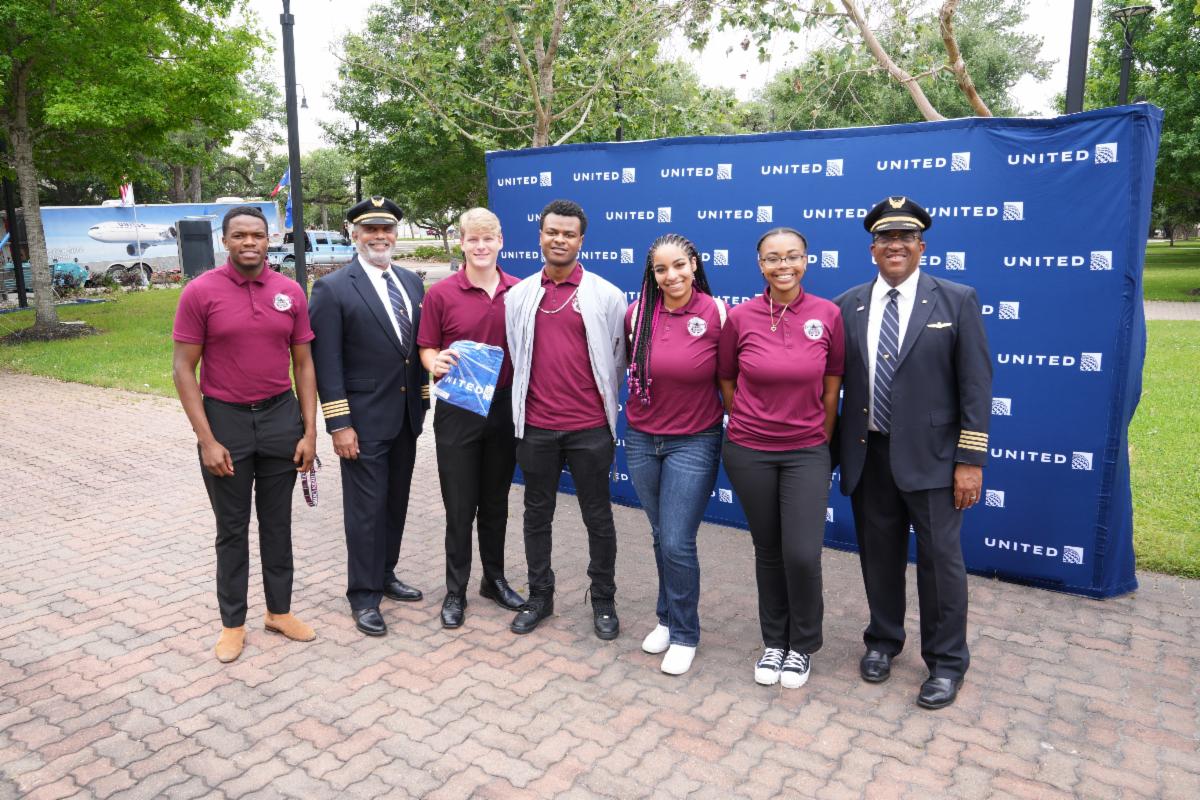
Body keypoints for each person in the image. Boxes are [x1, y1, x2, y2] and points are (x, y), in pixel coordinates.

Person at [834, 196, 991, 710]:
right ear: (872, 249)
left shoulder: (956, 300)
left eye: (905, 238)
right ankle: (883, 641)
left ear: (922, 247)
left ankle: (946, 663)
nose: (895, 246)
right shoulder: (848, 304)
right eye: (885, 238)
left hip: (936, 460)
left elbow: (975, 387)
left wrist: (970, 461)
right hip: (870, 455)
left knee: (941, 565)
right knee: (878, 557)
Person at [172, 205, 318, 663]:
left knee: (278, 525)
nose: (249, 242)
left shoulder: (289, 291)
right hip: (226, 423)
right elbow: (183, 368)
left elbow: (304, 364)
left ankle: (279, 612)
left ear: (269, 239)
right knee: (232, 530)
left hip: (280, 419)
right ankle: (232, 624)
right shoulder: (200, 292)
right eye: (240, 235)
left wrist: (310, 431)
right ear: (225, 241)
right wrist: (207, 439)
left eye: (257, 235)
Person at [718, 227, 844, 690]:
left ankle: (802, 645)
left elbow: (832, 385)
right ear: (760, 265)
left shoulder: (828, 315)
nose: (783, 265)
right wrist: (748, 421)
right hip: (750, 451)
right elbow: (727, 379)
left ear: (806, 261)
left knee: (802, 553)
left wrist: (818, 438)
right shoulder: (740, 317)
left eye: (792, 256)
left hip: (806, 451)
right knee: (768, 550)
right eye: (773, 258)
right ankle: (775, 641)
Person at [505, 199, 628, 639]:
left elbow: (616, 361)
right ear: (540, 236)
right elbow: (517, 354)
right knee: (536, 515)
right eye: (552, 232)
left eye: (569, 234)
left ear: (581, 240)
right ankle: (540, 596)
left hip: (590, 428)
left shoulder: (607, 295)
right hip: (536, 426)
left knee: (598, 517)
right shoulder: (519, 295)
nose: (560, 240)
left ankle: (604, 600)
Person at [309, 196, 429, 637]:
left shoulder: (411, 283)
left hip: (405, 419)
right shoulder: (333, 288)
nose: (380, 237)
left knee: (395, 503)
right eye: (370, 230)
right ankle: (363, 595)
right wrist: (339, 424)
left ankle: (385, 573)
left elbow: (415, 352)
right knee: (365, 512)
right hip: (360, 423)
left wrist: (423, 401)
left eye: (386, 229)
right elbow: (327, 362)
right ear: (354, 234)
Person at [417, 207, 525, 629]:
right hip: (459, 409)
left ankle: (493, 580)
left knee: (496, 503)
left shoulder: (520, 292)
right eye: (473, 239)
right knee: (460, 506)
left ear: (501, 241)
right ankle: (455, 589)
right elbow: (426, 346)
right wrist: (434, 361)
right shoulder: (441, 294)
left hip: (504, 408)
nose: (481, 246)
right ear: (461, 243)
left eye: (488, 238)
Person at [624, 234, 726, 675]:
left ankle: (685, 634)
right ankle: (666, 619)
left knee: (677, 540)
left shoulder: (717, 312)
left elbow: (730, 377)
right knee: (659, 534)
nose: (672, 276)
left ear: (694, 265)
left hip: (694, 440)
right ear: (652, 274)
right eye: (661, 269)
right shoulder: (636, 314)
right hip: (642, 439)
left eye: (680, 265)